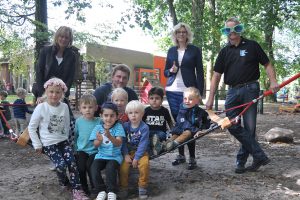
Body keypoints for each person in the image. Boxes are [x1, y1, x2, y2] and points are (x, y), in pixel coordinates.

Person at [206, 17, 280, 174]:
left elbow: (267, 64)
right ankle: (259, 155)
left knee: (250, 128)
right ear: (225, 32)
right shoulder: (224, 51)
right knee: (230, 124)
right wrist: (210, 98)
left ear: (240, 30)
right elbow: (216, 75)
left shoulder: (252, 45)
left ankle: (241, 161)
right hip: (232, 92)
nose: (232, 33)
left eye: (235, 29)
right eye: (228, 30)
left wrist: (273, 81)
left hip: (250, 89)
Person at [28, 78, 89, 200]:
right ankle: (65, 182)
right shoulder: (41, 108)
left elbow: (67, 124)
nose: (54, 95)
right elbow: (31, 127)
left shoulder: (65, 107)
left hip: (63, 142)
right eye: (51, 92)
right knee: (60, 165)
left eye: (57, 92)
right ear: (46, 92)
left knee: (72, 163)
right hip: (49, 144)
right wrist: (37, 144)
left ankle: (77, 190)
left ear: (62, 94)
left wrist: (68, 140)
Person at [164, 22, 205, 167]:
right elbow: (165, 72)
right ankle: (181, 155)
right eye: (178, 32)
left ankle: (192, 158)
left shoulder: (195, 50)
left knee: (190, 124)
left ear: (187, 34)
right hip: (172, 91)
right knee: (179, 125)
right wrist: (171, 71)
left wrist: (200, 93)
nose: (181, 34)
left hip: (188, 91)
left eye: (184, 32)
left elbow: (200, 72)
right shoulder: (171, 51)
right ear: (175, 35)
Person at [153, 87, 210, 170]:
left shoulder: (200, 111)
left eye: (190, 99)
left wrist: (201, 130)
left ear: (197, 100)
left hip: (191, 132)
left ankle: (191, 158)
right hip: (180, 129)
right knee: (175, 136)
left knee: (188, 136)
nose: (187, 101)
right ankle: (164, 146)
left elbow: (206, 121)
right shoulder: (182, 109)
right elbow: (182, 122)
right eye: (185, 98)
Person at [89, 102, 125, 200]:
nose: (108, 118)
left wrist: (109, 136)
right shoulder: (98, 128)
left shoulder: (118, 127)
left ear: (117, 117)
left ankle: (112, 191)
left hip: (115, 157)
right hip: (101, 156)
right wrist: (99, 140)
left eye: (112, 116)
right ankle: (101, 190)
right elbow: (95, 145)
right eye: (106, 115)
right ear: (101, 116)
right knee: (94, 168)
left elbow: (118, 143)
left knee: (110, 168)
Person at [35, 26, 76, 106]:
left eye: (66, 37)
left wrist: (64, 94)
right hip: (45, 93)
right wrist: (41, 95)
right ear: (57, 37)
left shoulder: (72, 55)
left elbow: (70, 77)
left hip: (60, 94)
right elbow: (39, 73)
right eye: (61, 36)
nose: (63, 39)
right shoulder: (45, 51)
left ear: (69, 40)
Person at [119, 100, 149, 199]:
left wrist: (136, 158)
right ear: (127, 114)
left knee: (144, 165)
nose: (133, 115)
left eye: (136, 112)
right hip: (128, 152)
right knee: (123, 168)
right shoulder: (125, 126)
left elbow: (143, 144)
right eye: (131, 113)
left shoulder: (144, 127)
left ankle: (142, 187)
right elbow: (122, 142)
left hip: (141, 152)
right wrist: (126, 155)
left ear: (142, 114)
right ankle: (124, 188)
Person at [74, 94, 100, 195]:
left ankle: (95, 187)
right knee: (81, 168)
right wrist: (75, 149)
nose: (87, 110)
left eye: (90, 107)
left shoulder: (99, 121)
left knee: (91, 167)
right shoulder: (78, 121)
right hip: (82, 150)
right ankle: (84, 187)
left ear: (96, 108)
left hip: (95, 150)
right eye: (84, 107)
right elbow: (75, 136)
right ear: (80, 109)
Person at [142, 87, 173, 155]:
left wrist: (173, 131)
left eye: (157, 98)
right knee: (145, 140)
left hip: (160, 132)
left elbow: (169, 122)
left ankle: (157, 146)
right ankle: (154, 150)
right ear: (148, 100)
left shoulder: (165, 111)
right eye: (152, 98)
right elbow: (142, 122)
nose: (154, 100)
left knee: (162, 135)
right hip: (149, 132)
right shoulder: (146, 110)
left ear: (162, 100)